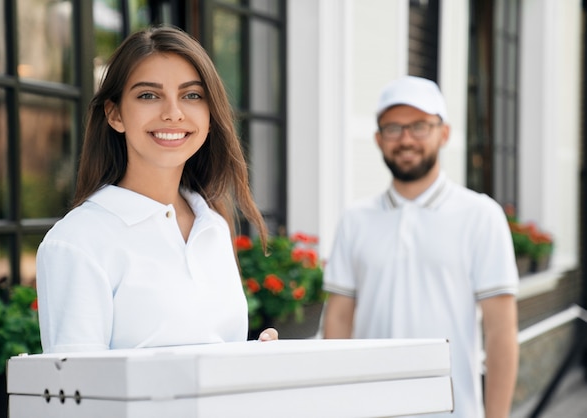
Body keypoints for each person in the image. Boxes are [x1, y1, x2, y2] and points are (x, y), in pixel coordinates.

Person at [36, 26, 277, 354]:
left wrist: (254, 356)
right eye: (148, 95)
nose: (173, 113)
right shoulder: (78, 241)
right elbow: (77, 393)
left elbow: (212, 352)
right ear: (115, 114)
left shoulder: (212, 225)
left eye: (192, 95)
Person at [322, 76, 519, 418]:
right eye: (393, 128)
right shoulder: (355, 219)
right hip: (368, 410)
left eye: (419, 126)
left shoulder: (481, 215)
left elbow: (501, 330)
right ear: (378, 139)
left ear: (444, 133)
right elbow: (338, 320)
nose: (406, 139)